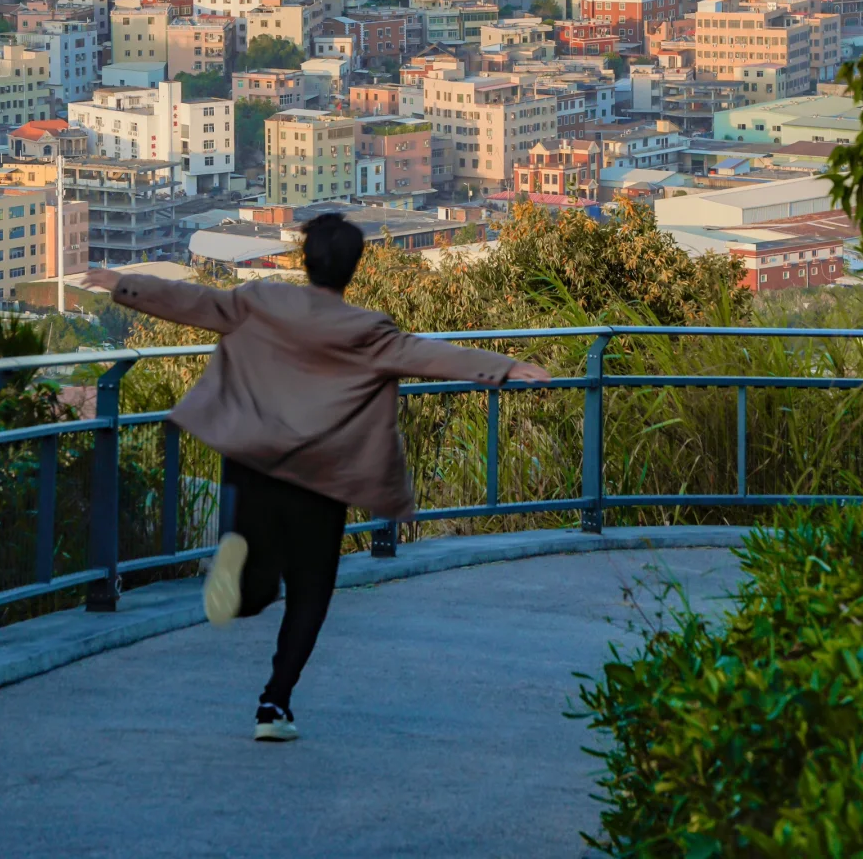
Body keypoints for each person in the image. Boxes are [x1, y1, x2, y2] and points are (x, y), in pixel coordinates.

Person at [87, 213, 548, 742]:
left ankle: (236, 575)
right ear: (354, 268)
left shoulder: (261, 301)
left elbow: (194, 302)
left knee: (255, 585)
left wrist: (120, 284)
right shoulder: (368, 329)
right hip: (322, 472)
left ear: (303, 261)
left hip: (253, 458)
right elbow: (427, 354)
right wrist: (505, 366)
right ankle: (273, 703)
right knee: (310, 591)